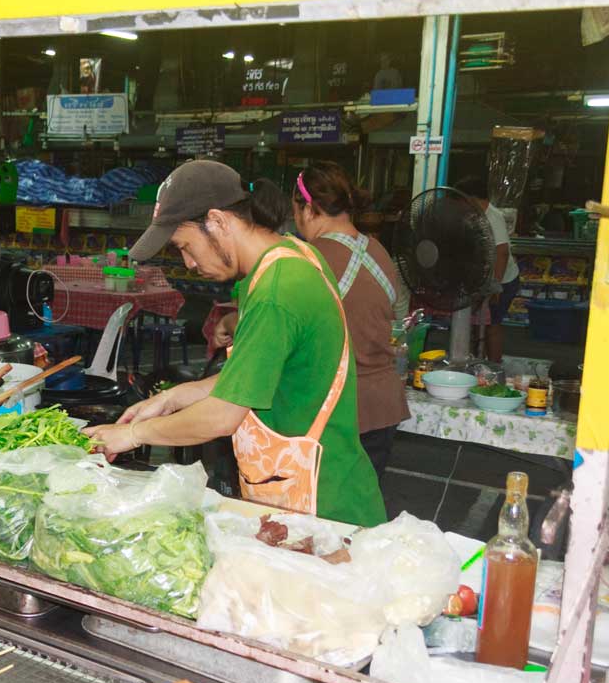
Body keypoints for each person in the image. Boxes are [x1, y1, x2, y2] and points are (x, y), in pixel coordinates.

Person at [86, 160, 386, 527]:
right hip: (311, 490)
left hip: (323, 509)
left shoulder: (277, 291)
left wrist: (132, 435)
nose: (189, 263)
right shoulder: (292, 257)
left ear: (218, 221)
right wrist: (171, 398)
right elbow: (259, 377)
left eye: (186, 246)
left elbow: (223, 416)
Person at [292, 162, 409, 481]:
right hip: (382, 405)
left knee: (323, 517)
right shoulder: (380, 252)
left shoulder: (308, 257)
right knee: (364, 508)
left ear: (307, 209)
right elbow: (395, 315)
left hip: (333, 409)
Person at [456, 179, 520, 362]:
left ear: (471, 198)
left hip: (502, 281)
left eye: (462, 200)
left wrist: (495, 286)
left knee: (492, 325)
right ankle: (476, 363)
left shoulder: (493, 216)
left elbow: (502, 253)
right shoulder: (475, 215)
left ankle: (493, 368)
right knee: (478, 325)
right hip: (483, 280)